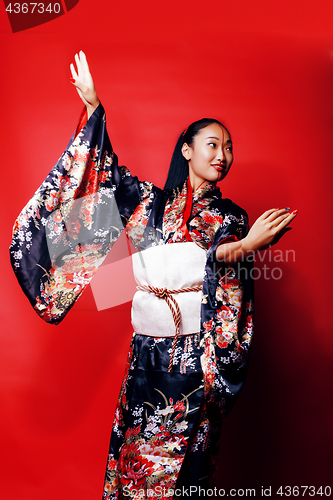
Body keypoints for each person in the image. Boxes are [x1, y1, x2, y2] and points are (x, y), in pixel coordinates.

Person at [9, 51, 297, 499]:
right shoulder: (152, 205)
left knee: (187, 475)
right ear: (187, 150)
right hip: (145, 358)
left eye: (229, 147)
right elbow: (108, 178)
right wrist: (93, 108)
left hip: (194, 360)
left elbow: (222, 259)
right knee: (133, 464)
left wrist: (244, 247)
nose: (223, 154)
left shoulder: (231, 217)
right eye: (213, 144)